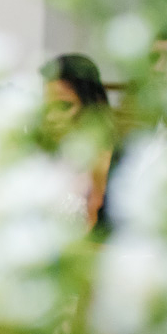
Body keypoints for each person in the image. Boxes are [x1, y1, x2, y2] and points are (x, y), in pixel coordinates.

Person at [40, 52, 117, 232]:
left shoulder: (110, 162)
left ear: (91, 104)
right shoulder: (47, 155)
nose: (51, 118)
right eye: (47, 108)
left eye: (64, 106)